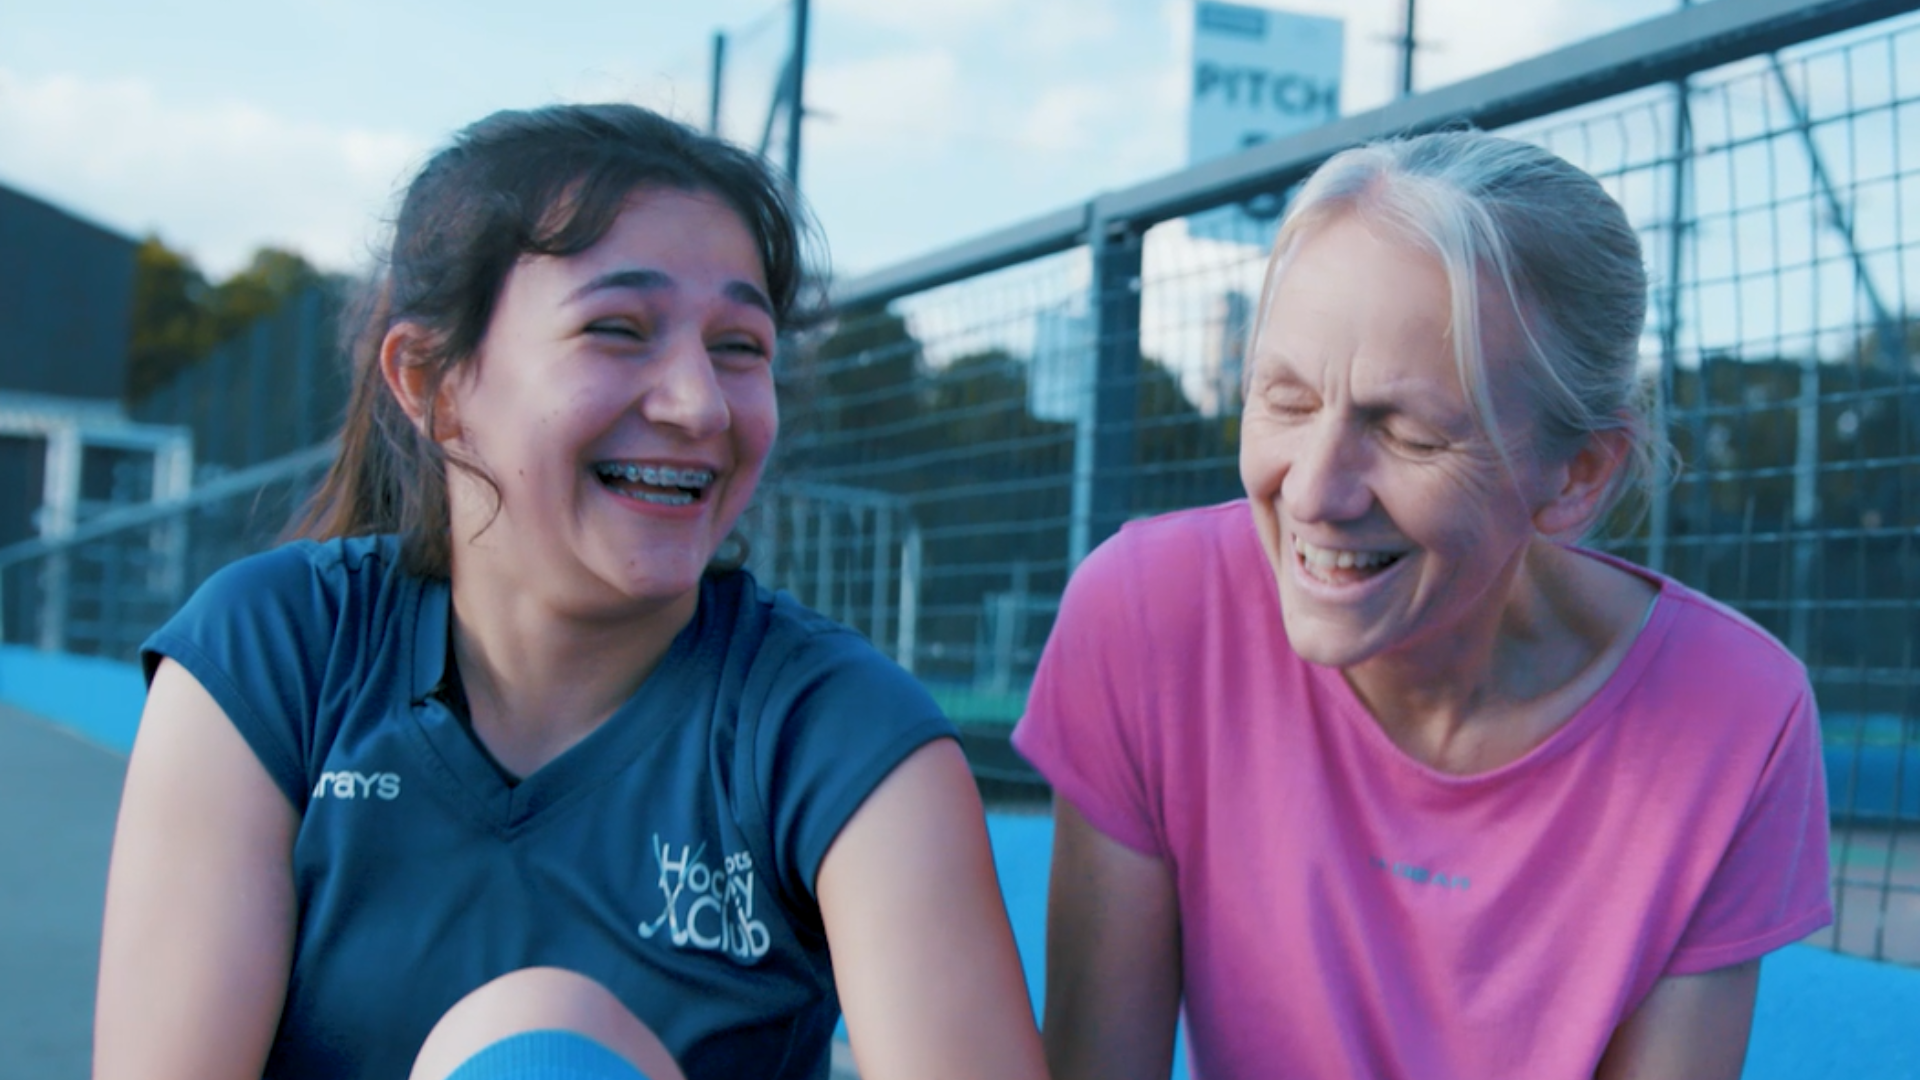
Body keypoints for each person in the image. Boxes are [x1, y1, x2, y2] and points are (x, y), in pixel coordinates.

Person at [95, 103, 1048, 1080]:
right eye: (618, 329)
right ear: (432, 383)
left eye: (740, 347)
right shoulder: (271, 652)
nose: (699, 405)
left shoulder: (838, 731)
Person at [1014, 129, 1833, 1080]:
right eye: (1285, 398)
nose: (1316, 490)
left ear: (1575, 475)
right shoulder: (1147, 615)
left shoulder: (1740, 718)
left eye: (1405, 433)